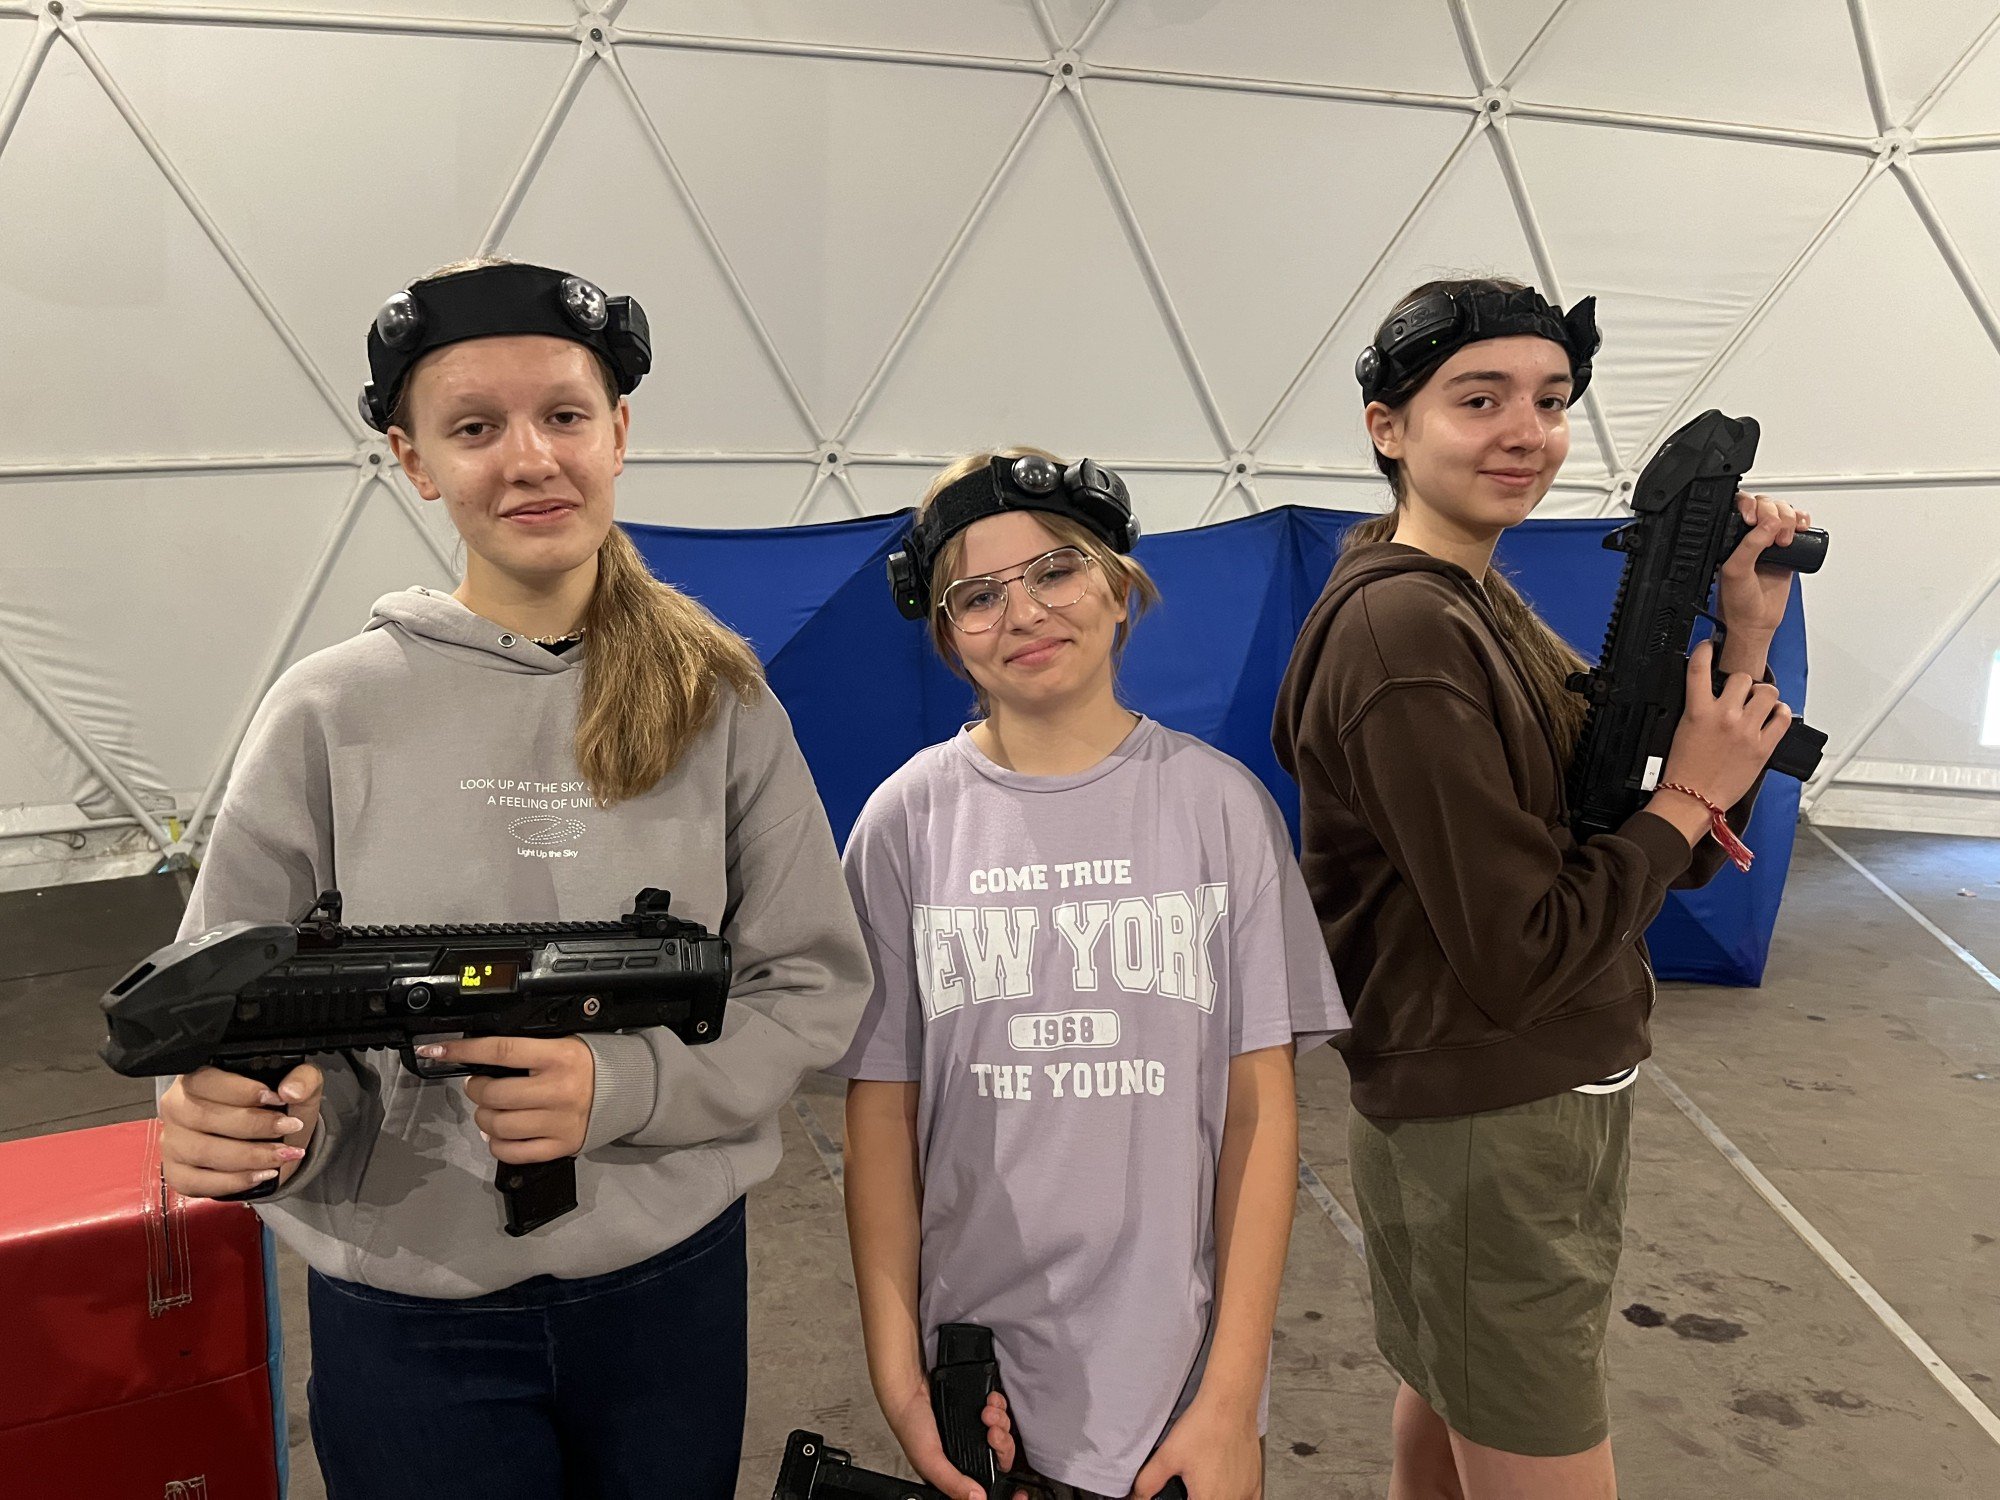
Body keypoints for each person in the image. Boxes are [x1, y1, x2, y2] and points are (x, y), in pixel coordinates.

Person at [153, 258, 872, 1499]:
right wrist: (246, 1118)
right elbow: (218, 1000)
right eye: (475, 428)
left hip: (667, 1290)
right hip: (408, 1308)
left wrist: (624, 1085)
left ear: (618, 433)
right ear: (414, 460)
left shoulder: (718, 701)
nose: (530, 458)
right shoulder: (327, 713)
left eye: (564, 415)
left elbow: (809, 983)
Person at [1273, 279, 1810, 1500]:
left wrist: (1743, 633)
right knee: (1516, 1419)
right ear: (1386, 426)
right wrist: (1688, 799)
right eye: (1479, 400)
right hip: (1492, 1117)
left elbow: (1613, 823)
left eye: (1551, 401)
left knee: (1450, 1395)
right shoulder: (1407, 634)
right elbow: (1523, 946)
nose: (1526, 431)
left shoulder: (1455, 595)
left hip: (1484, 1102)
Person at [833, 449, 1350, 1500]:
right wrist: (898, 1378)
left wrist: (1229, 1400)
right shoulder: (904, 822)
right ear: (946, 636)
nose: (1022, 613)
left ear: (1118, 587)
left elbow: (1258, 1111)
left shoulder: (1219, 808)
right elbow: (879, 1114)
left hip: (1176, 1382)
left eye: (1054, 571)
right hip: (975, 1373)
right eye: (977, 595)